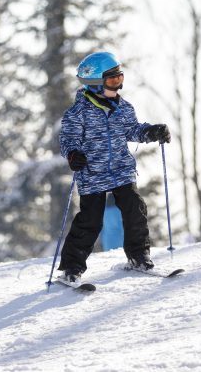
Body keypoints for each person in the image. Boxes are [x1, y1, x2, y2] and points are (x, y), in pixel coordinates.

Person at [57, 51, 171, 284]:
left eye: (120, 78)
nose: (118, 84)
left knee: (134, 209)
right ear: (94, 83)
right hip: (93, 174)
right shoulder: (78, 112)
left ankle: (139, 257)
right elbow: (68, 140)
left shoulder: (124, 108)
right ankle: (71, 268)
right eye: (112, 80)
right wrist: (73, 154)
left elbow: (133, 130)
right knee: (90, 221)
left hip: (121, 169)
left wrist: (151, 132)